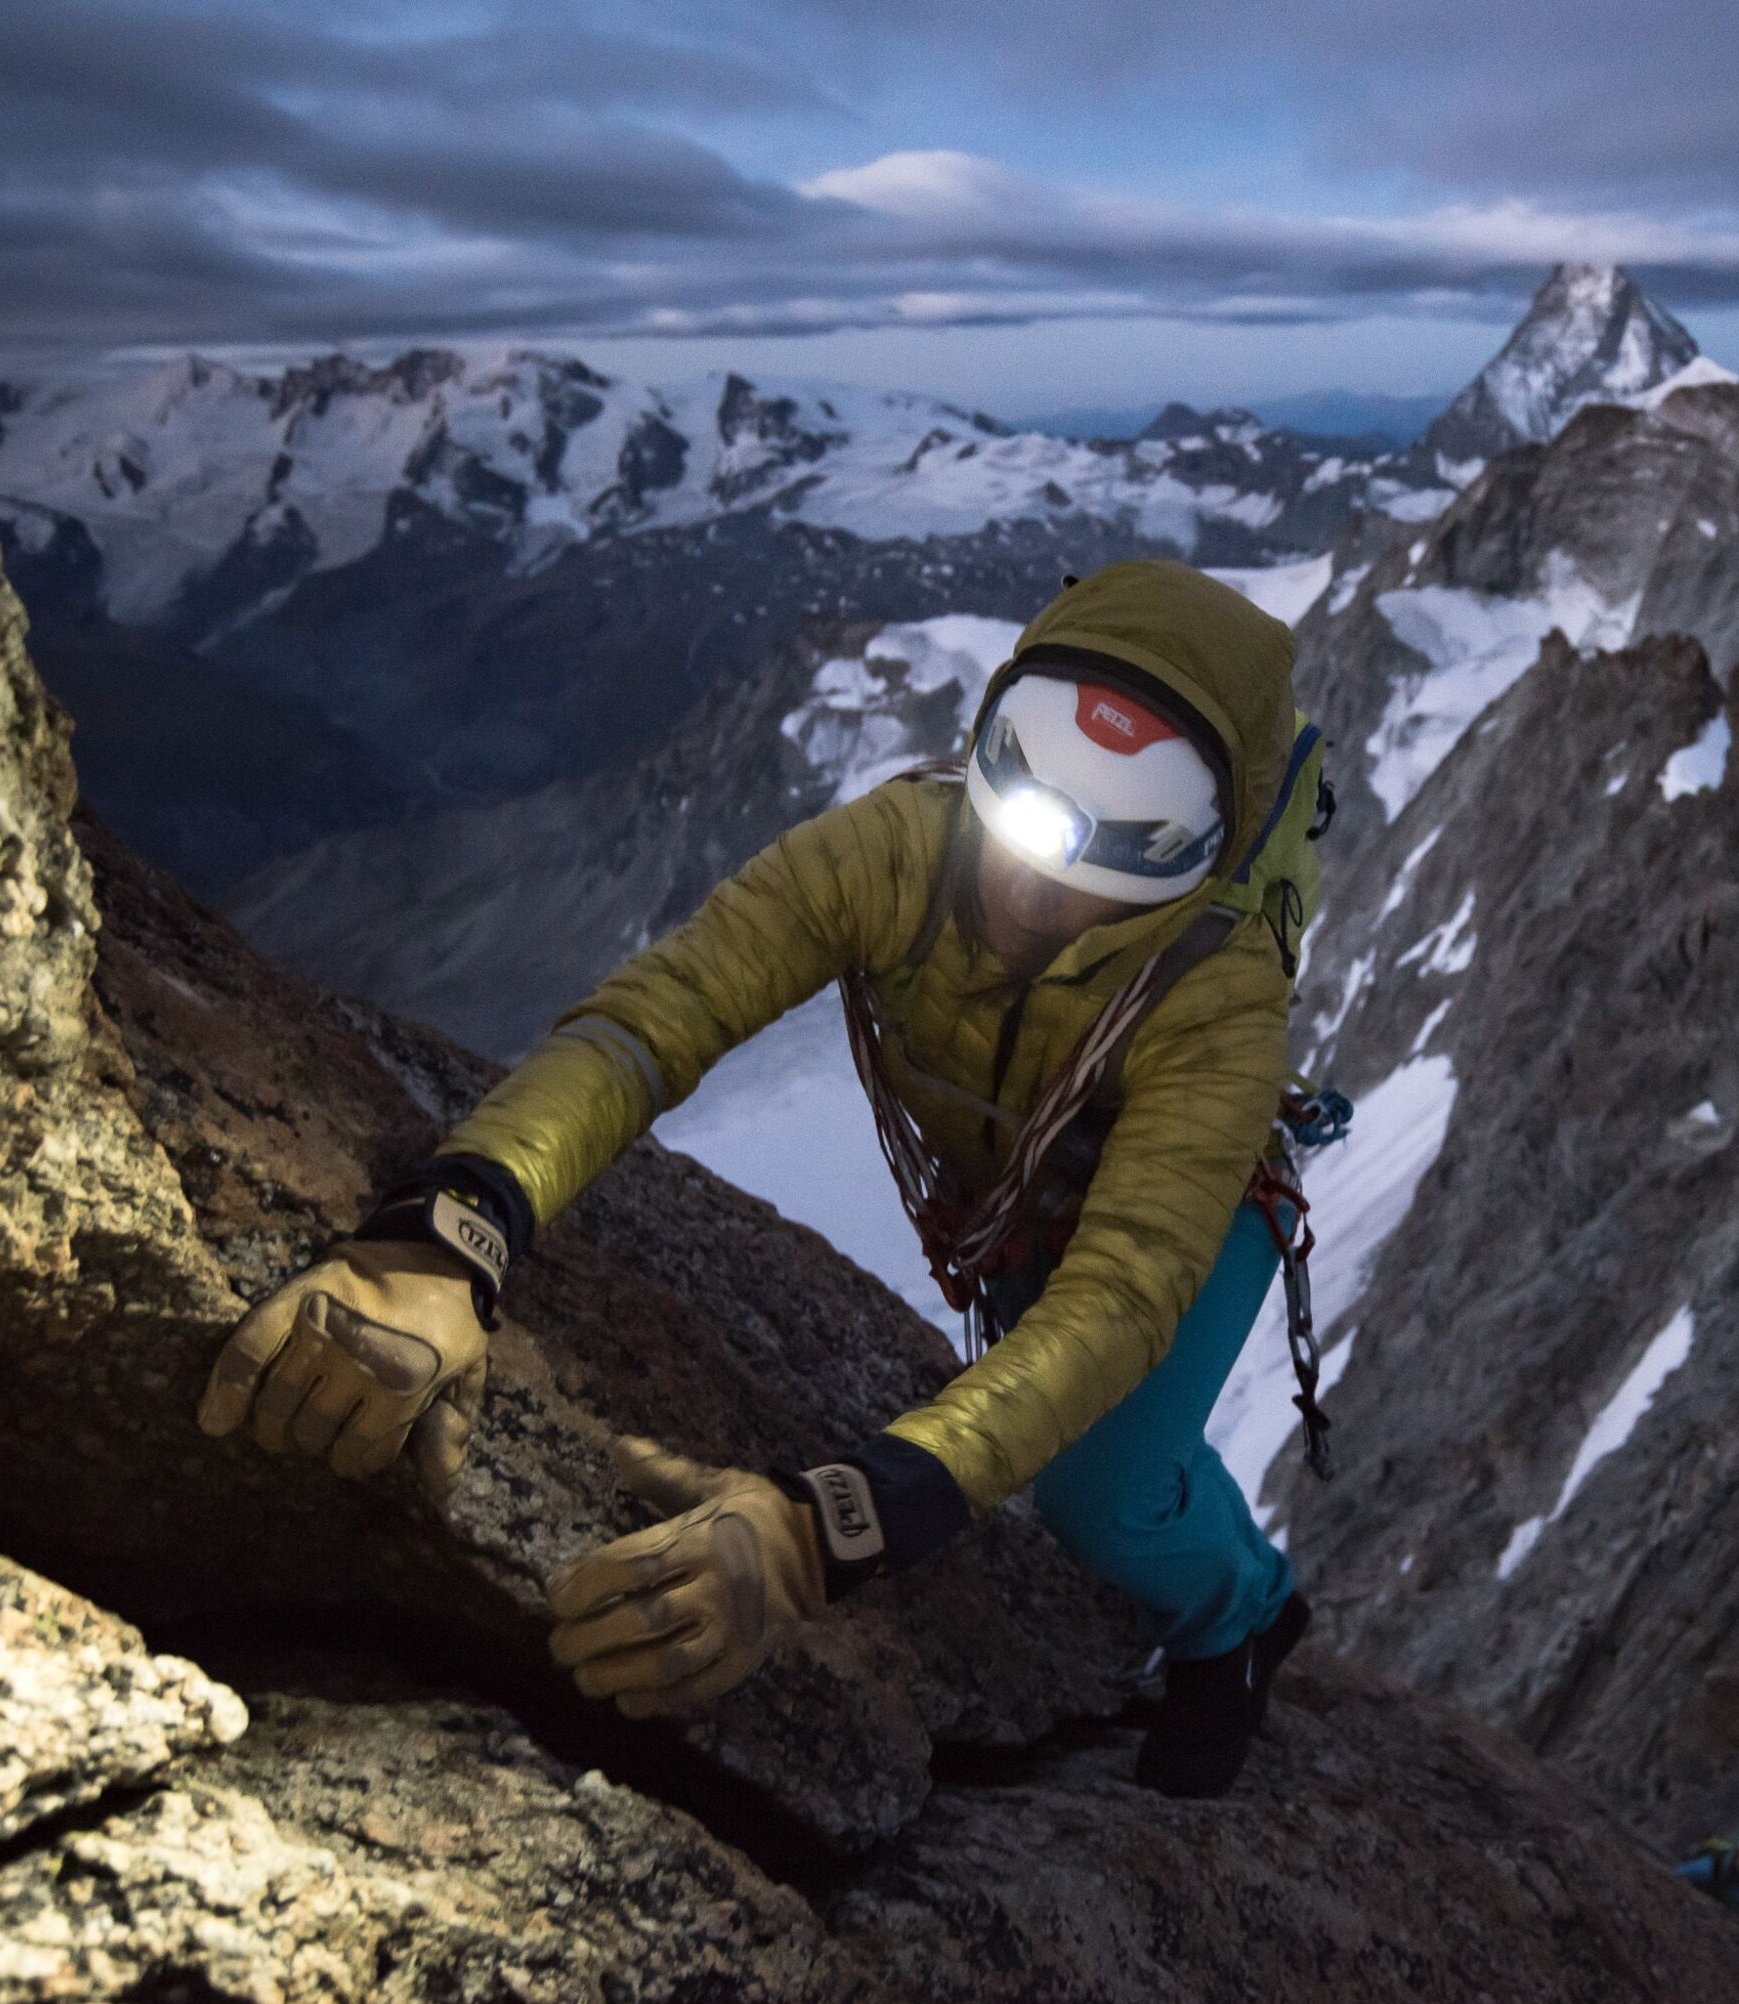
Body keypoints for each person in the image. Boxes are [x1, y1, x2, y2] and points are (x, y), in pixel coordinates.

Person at [197, 559, 1321, 1799]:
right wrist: (457, 1225)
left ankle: (1244, 1621)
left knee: (1104, 1491)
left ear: (1202, 863)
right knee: (1114, 1434)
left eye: (1130, 844)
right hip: (1018, 1204)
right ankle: (1204, 1548)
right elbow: (663, 1016)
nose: (1035, 878)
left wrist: (823, 1528)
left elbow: (1120, 1294)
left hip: (1199, 1222)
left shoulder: (1219, 1001)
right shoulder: (896, 847)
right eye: (1025, 780)